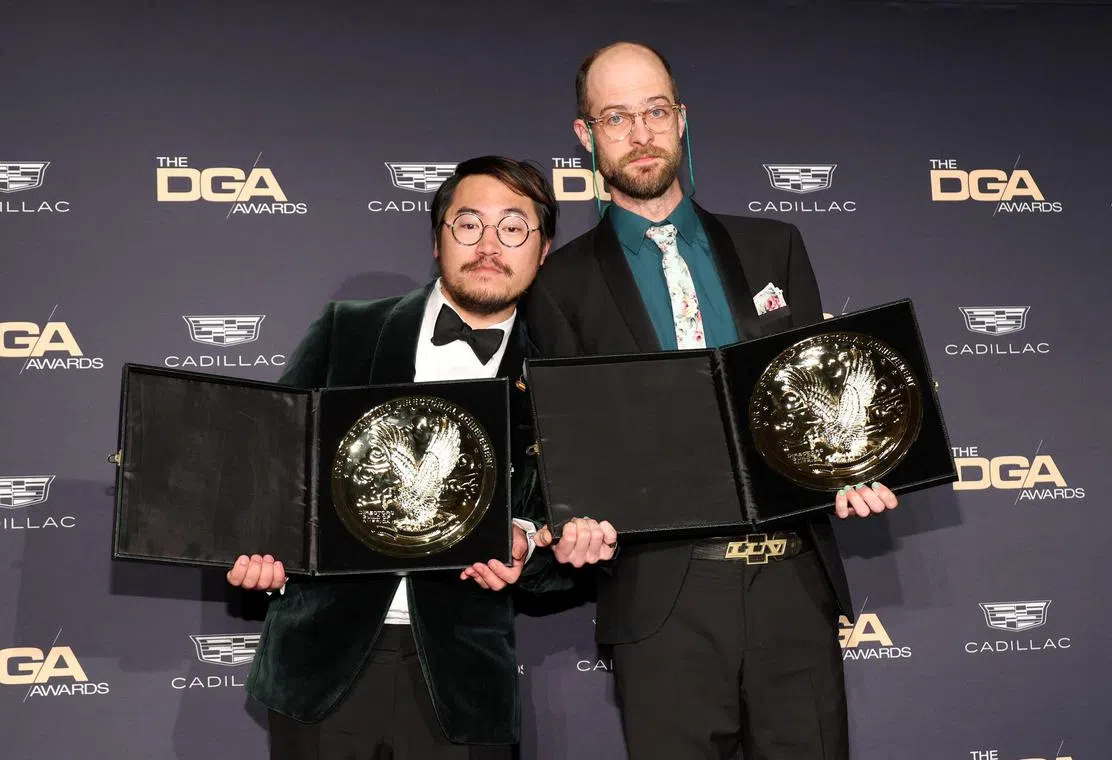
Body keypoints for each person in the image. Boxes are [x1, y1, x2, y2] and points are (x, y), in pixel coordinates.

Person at [525, 42, 901, 760]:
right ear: (585, 135)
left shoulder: (774, 247)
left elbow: (820, 404)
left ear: (682, 118)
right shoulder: (559, 285)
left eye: (656, 111)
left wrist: (852, 465)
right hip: (664, 597)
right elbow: (567, 443)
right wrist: (571, 519)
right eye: (617, 117)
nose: (641, 134)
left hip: (794, 585)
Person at [225, 155, 615, 760]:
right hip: (321, 668)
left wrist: (524, 554)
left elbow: (566, 537)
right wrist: (253, 551)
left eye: (513, 227)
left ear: (542, 251)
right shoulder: (348, 332)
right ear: (437, 240)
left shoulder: (559, 379)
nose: (489, 245)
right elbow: (266, 466)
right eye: (468, 225)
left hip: (463, 678)